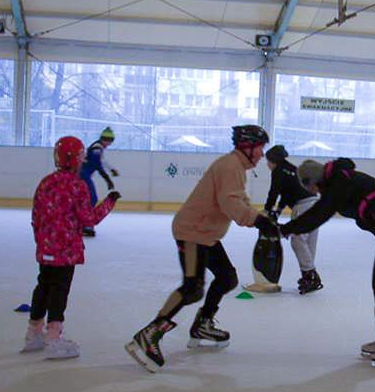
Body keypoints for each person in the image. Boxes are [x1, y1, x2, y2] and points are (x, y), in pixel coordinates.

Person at [124, 125, 277, 373]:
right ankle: (150, 333)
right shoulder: (230, 166)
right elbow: (230, 204)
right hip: (193, 232)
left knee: (227, 278)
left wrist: (259, 220)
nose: (261, 154)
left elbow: (239, 201)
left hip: (206, 234)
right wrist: (257, 221)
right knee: (192, 288)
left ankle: (202, 325)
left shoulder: (236, 167)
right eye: (260, 148)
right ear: (246, 147)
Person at [281, 158, 375, 367]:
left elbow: (320, 214)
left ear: (312, 181)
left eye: (308, 187)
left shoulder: (340, 182)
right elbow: (322, 208)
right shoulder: (337, 180)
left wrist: (286, 229)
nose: (312, 192)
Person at [22, 136, 119, 359]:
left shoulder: (46, 182)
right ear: (77, 159)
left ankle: (33, 332)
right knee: (59, 290)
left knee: (43, 286)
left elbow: (35, 216)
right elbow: (88, 219)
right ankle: (53, 338)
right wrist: (109, 203)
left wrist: (40, 240)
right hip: (66, 251)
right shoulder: (78, 186)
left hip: (46, 248)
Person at [264, 144, 322, 294]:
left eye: (268, 161)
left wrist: (267, 209)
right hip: (315, 202)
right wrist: (278, 210)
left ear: (273, 160)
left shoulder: (278, 170)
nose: (267, 165)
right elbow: (286, 193)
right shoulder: (292, 169)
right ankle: (308, 275)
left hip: (302, 206)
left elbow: (274, 191)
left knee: (297, 239)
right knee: (309, 241)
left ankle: (310, 275)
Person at [79, 126, 119, 237]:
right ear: (106, 140)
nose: (109, 144)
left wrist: (111, 169)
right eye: (110, 142)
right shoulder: (97, 148)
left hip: (83, 175)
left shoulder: (97, 147)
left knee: (88, 199)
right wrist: (108, 180)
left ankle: (84, 224)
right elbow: (98, 165)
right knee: (92, 198)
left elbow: (102, 161)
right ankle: (85, 224)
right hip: (83, 175)